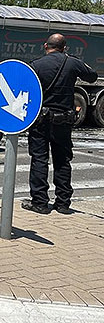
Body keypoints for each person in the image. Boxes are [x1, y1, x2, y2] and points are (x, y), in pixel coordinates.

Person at [23, 33, 98, 215]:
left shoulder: (36, 65)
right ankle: (63, 203)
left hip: (40, 121)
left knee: (40, 159)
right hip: (63, 121)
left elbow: (26, 91)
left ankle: (40, 203)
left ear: (45, 46)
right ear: (65, 48)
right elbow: (92, 77)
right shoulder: (72, 62)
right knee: (62, 160)